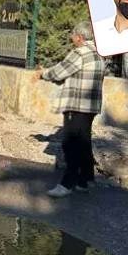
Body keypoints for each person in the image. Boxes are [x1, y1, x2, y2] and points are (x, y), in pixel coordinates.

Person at [33, 21, 105, 198]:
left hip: (77, 105)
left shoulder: (80, 53)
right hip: (91, 106)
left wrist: (43, 73)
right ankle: (85, 180)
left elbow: (60, 72)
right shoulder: (100, 54)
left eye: (73, 35)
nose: (71, 38)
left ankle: (67, 183)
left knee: (71, 143)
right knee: (84, 142)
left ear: (79, 37)